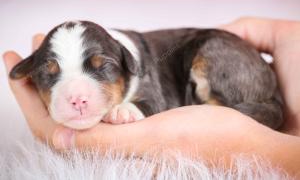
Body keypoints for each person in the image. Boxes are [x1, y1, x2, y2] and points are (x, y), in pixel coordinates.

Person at [3, 17, 300, 177]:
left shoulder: (139, 67)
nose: (77, 97)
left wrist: (134, 107)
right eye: (51, 74)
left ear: (126, 64)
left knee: (211, 54)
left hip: (219, 56)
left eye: (100, 68)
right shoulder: (117, 55)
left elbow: (154, 100)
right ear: (31, 72)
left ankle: (228, 106)